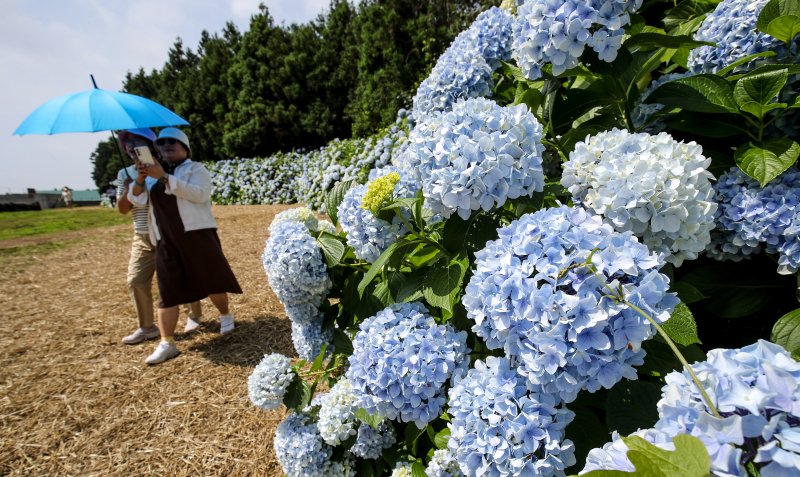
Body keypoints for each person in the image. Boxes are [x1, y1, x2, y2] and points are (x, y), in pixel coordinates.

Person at [129, 127, 242, 365]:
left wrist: (164, 177)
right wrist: (140, 178)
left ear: (185, 147)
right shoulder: (152, 175)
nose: (167, 146)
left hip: (196, 234)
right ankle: (167, 343)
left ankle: (225, 315)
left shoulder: (195, 169)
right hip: (165, 239)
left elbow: (199, 194)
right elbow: (136, 199)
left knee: (211, 279)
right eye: (162, 143)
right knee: (167, 291)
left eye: (173, 142)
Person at [115, 129, 203, 346]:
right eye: (127, 143)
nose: (131, 147)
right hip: (142, 234)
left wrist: (154, 175)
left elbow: (171, 196)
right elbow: (123, 209)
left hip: (167, 232)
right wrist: (132, 185)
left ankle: (194, 315)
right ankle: (147, 327)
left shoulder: (164, 167)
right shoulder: (123, 174)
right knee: (136, 280)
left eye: (136, 142)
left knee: (182, 275)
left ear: (149, 145)